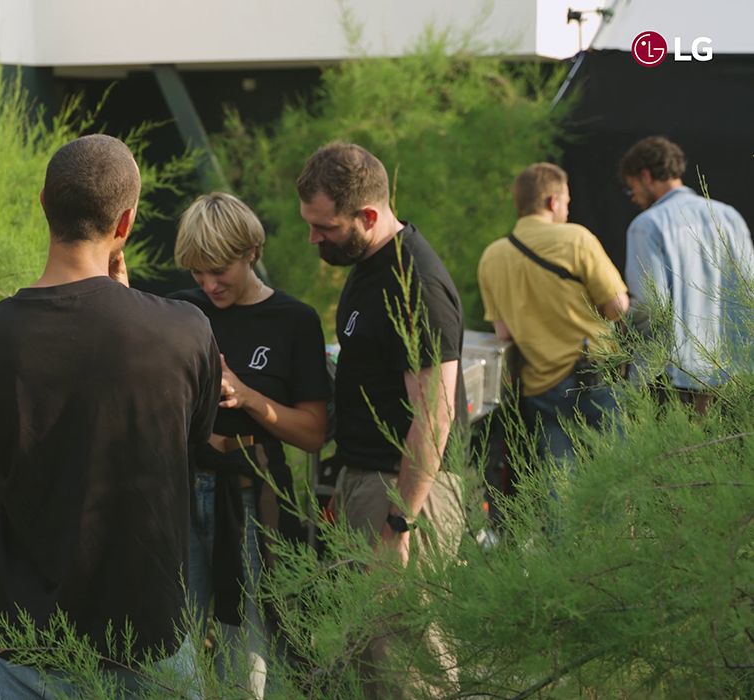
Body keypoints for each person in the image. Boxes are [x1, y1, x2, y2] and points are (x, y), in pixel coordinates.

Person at [0, 134, 222, 698]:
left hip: (27, 639)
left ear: (43, 202)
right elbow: (194, 443)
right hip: (148, 632)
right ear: (126, 223)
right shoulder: (185, 331)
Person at [298, 143, 466, 698]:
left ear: (368, 216)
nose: (314, 239)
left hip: (406, 492)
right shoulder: (369, 264)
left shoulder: (414, 279)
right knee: (374, 663)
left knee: (411, 667)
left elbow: (434, 415)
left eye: (325, 227)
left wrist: (400, 524)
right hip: (368, 483)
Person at [170, 192, 330, 697]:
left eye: (219, 271)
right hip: (180, 490)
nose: (208, 284)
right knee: (178, 637)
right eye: (198, 273)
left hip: (251, 498)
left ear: (251, 253)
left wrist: (247, 397)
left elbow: (312, 432)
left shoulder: (293, 321)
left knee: (250, 645)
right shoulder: (181, 311)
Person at [478, 163, 628, 462]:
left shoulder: (492, 256)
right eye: (567, 203)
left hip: (541, 388)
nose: (568, 211)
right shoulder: (576, 239)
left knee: (559, 483)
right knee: (617, 474)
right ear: (552, 201)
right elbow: (618, 307)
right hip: (593, 377)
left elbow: (504, 333)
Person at [621, 135, 754, 414]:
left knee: (670, 457)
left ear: (646, 176)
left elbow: (649, 305)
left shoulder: (647, 225)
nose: (633, 198)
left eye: (631, 188)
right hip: (735, 375)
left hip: (674, 377)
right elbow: (748, 290)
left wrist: (618, 333)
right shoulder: (729, 217)